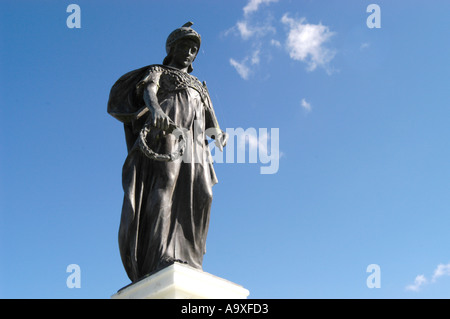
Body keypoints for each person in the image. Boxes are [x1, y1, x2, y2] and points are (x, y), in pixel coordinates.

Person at [107, 22, 227, 282]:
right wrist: (157, 111)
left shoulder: (199, 84)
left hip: (195, 141)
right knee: (165, 184)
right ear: (172, 48)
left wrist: (217, 134)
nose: (189, 52)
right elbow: (150, 91)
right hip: (168, 129)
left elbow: (208, 117)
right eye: (184, 46)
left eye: (193, 49)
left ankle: (191, 258)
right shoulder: (159, 70)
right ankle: (158, 255)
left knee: (204, 193)